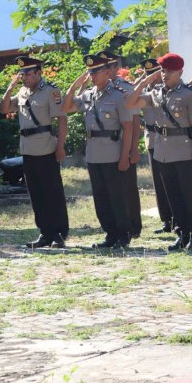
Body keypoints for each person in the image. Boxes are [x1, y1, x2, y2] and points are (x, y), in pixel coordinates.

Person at [127, 53, 192, 251]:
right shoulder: (156, 93)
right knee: (173, 196)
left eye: (169, 71)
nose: (164, 74)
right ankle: (181, 234)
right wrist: (145, 80)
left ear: (180, 72)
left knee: (187, 195)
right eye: (162, 70)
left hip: (184, 151)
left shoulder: (190, 93)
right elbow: (130, 103)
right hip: (162, 152)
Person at [62, 55, 133, 249]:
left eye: (95, 72)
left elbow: (128, 127)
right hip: (93, 153)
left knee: (116, 196)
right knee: (101, 197)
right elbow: (66, 107)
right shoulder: (88, 95)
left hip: (112, 152)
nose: (91, 75)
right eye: (90, 72)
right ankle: (110, 233)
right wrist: (75, 85)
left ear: (107, 72)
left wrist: (125, 156)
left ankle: (123, 234)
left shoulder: (118, 96)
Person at [0, 56, 69, 248]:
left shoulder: (50, 91)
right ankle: (45, 232)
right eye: (22, 74)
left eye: (28, 73)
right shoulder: (22, 92)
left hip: (46, 147)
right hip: (28, 149)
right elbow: (4, 108)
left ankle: (59, 234)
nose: (24, 77)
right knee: (36, 194)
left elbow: (62, 120)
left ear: (39, 73)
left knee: (52, 192)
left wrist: (60, 146)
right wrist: (10, 88)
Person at [98, 50, 143, 238]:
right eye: (103, 68)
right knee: (111, 190)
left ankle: (133, 225)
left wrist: (133, 149)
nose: (105, 71)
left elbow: (134, 121)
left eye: (108, 67)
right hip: (108, 148)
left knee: (128, 187)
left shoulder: (125, 88)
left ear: (116, 68)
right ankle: (117, 226)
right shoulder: (98, 90)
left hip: (125, 142)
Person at [137, 59, 175, 235]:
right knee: (158, 183)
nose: (151, 79)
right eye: (147, 75)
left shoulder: (165, 92)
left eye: (153, 75)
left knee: (171, 182)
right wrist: (142, 81)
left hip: (169, 141)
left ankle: (177, 218)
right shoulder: (145, 93)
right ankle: (166, 220)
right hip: (152, 139)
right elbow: (128, 99)